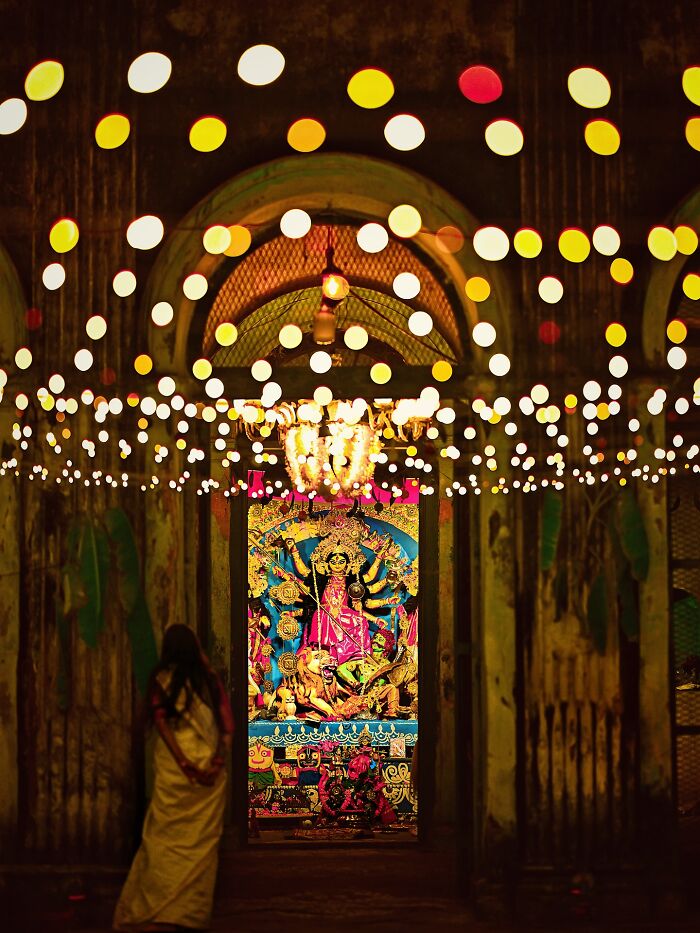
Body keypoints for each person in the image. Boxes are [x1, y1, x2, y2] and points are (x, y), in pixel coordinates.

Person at [113, 624, 234, 932]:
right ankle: (188, 913)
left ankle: (155, 907)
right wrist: (216, 761)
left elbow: (162, 725)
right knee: (200, 845)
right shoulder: (209, 680)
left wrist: (183, 763)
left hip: (176, 772)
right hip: (208, 771)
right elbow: (226, 727)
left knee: (165, 839)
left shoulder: (162, 680)